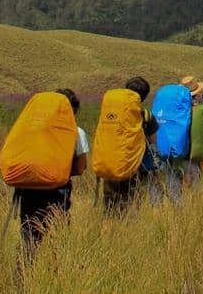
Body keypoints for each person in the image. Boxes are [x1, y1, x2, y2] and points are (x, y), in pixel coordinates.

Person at [15, 88, 88, 269]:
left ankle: (23, 281)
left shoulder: (32, 128)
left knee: (29, 238)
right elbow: (81, 167)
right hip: (58, 192)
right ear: (73, 111)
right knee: (58, 237)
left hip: (28, 189)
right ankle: (56, 276)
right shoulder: (76, 132)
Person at [101, 76, 159, 216]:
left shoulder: (112, 113)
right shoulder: (146, 115)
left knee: (110, 208)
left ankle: (107, 233)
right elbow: (152, 140)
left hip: (111, 164)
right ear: (144, 97)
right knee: (131, 205)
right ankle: (128, 232)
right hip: (134, 167)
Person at [186, 83, 203, 186]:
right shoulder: (199, 109)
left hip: (180, 146)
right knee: (195, 174)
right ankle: (196, 196)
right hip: (194, 147)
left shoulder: (180, 107)